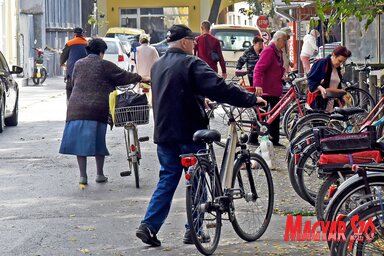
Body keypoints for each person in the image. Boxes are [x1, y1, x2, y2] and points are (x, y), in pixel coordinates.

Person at [135, 24, 266, 247]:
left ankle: (148, 226)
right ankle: (194, 229)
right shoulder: (190, 63)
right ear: (185, 42)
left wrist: (198, 98)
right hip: (190, 132)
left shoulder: (158, 65)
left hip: (165, 133)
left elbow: (173, 91)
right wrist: (250, 99)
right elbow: (219, 87)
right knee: (198, 178)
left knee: (167, 179)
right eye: (193, 42)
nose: (195, 46)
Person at [59, 38, 148, 185]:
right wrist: (140, 78)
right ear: (101, 52)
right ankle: (100, 174)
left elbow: (75, 82)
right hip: (96, 110)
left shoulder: (78, 64)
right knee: (98, 142)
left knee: (79, 144)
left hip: (75, 110)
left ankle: (83, 176)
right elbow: (124, 76)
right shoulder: (104, 65)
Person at [253, 31, 287, 147]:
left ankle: (274, 139)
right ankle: (253, 137)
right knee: (260, 115)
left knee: (275, 115)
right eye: (284, 40)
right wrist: (258, 85)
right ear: (278, 40)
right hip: (266, 89)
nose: (285, 43)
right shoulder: (269, 51)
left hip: (274, 89)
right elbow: (258, 68)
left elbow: (277, 67)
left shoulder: (278, 52)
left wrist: (283, 73)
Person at [307, 46, 352, 112]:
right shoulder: (322, 63)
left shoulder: (337, 68)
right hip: (319, 102)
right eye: (339, 61)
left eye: (343, 62)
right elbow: (311, 80)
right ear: (334, 55)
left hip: (331, 103)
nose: (341, 64)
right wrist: (321, 88)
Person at [60, 27, 88, 103]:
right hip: (85, 74)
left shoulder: (69, 43)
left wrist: (62, 63)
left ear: (74, 34)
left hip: (71, 73)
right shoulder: (87, 43)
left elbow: (63, 55)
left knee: (70, 91)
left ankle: (70, 106)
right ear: (82, 34)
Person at [135, 34, 159, 100]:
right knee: (151, 90)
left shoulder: (136, 50)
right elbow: (157, 61)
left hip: (140, 75)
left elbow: (132, 61)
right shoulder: (153, 49)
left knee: (140, 91)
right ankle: (150, 103)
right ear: (148, 40)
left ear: (140, 40)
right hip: (150, 74)